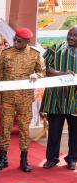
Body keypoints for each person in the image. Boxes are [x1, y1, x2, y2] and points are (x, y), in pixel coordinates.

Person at [0, 28, 45, 173]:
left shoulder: (35, 55)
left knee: (24, 129)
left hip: (25, 99)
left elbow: (43, 71)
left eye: (19, 40)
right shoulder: (6, 53)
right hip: (7, 98)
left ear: (27, 41)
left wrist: (37, 75)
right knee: (5, 128)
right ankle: (2, 158)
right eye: (15, 39)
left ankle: (24, 159)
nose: (16, 42)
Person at [40, 26, 77, 170]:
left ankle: (72, 159)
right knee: (54, 131)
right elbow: (46, 69)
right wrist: (62, 74)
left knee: (75, 132)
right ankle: (52, 159)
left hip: (74, 100)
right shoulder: (56, 49)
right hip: (56, 98)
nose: (71, 38)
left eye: (75, 35)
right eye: (69, 34)